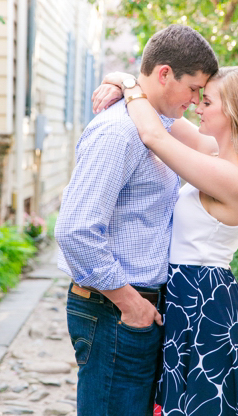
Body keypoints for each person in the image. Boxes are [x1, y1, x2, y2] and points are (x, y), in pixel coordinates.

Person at [92, 65, 238, 416]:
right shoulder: (214, 153)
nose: (197, 106)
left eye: (207, 101)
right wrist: (120, 79)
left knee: (199, 404)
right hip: (185, 294)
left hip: (204, 301)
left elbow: (155, 136)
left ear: (235, 111)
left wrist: (128, 85)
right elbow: (157, 109)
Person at [54, 24, 219, 416]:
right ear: (165, 74)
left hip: (134, 310)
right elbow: (74, 229)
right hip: (115, 311)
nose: (197, 101)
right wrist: (131, 305)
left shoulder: (156, 123)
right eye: (194, 89)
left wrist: (126, 81)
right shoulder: (121, 133)